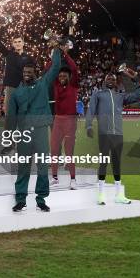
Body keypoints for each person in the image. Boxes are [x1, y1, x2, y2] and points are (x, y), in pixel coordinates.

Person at [8, 43, 62, 213]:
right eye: (24, 73)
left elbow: (56, 66)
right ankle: (21, 199)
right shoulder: (16, 93)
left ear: (35, 74)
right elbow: (11, 117)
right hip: (24, 133)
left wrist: (56, 49)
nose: (26, 75)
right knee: (23, 167)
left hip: (39, 131)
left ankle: (41, 199)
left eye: (29, 72)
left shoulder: (43, 84)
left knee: (42, 166)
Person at [85, 68, 140, 205]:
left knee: (117, 163)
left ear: (116, 82)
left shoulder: (120, 96)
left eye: (113, 79)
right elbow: (91, 110)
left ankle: (119, 195)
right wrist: (88, 125)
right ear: (104, 81)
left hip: (118, 134)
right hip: (104, 134)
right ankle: (101, 194)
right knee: (104, 163)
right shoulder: (98, 94)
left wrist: (135, 79)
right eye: (108, 78)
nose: (110, 80)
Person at [47, 48, 80, 189]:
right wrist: (54, 56)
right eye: (59, 75)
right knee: (54, 149)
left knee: (69, 151)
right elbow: (50, 69)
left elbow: (74, 68)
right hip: (58, 120)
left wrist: (65, 54)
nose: (61, 77)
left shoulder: (73, 85)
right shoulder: (55, 84)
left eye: (64, 76)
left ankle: (73, 179)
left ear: (69, 76)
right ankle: (54, 178)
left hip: (70, 121)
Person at [0, 26, 32, 116]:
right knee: (10, 116)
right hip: (11, 88)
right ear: (12, 44)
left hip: (24, 88)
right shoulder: (8, 54)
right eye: (15, 42)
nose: (17, 43)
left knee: (23, 115)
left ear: (23, 43)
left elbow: (32, 74)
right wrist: (3, 27)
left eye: (19, 41)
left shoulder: (29, 58)